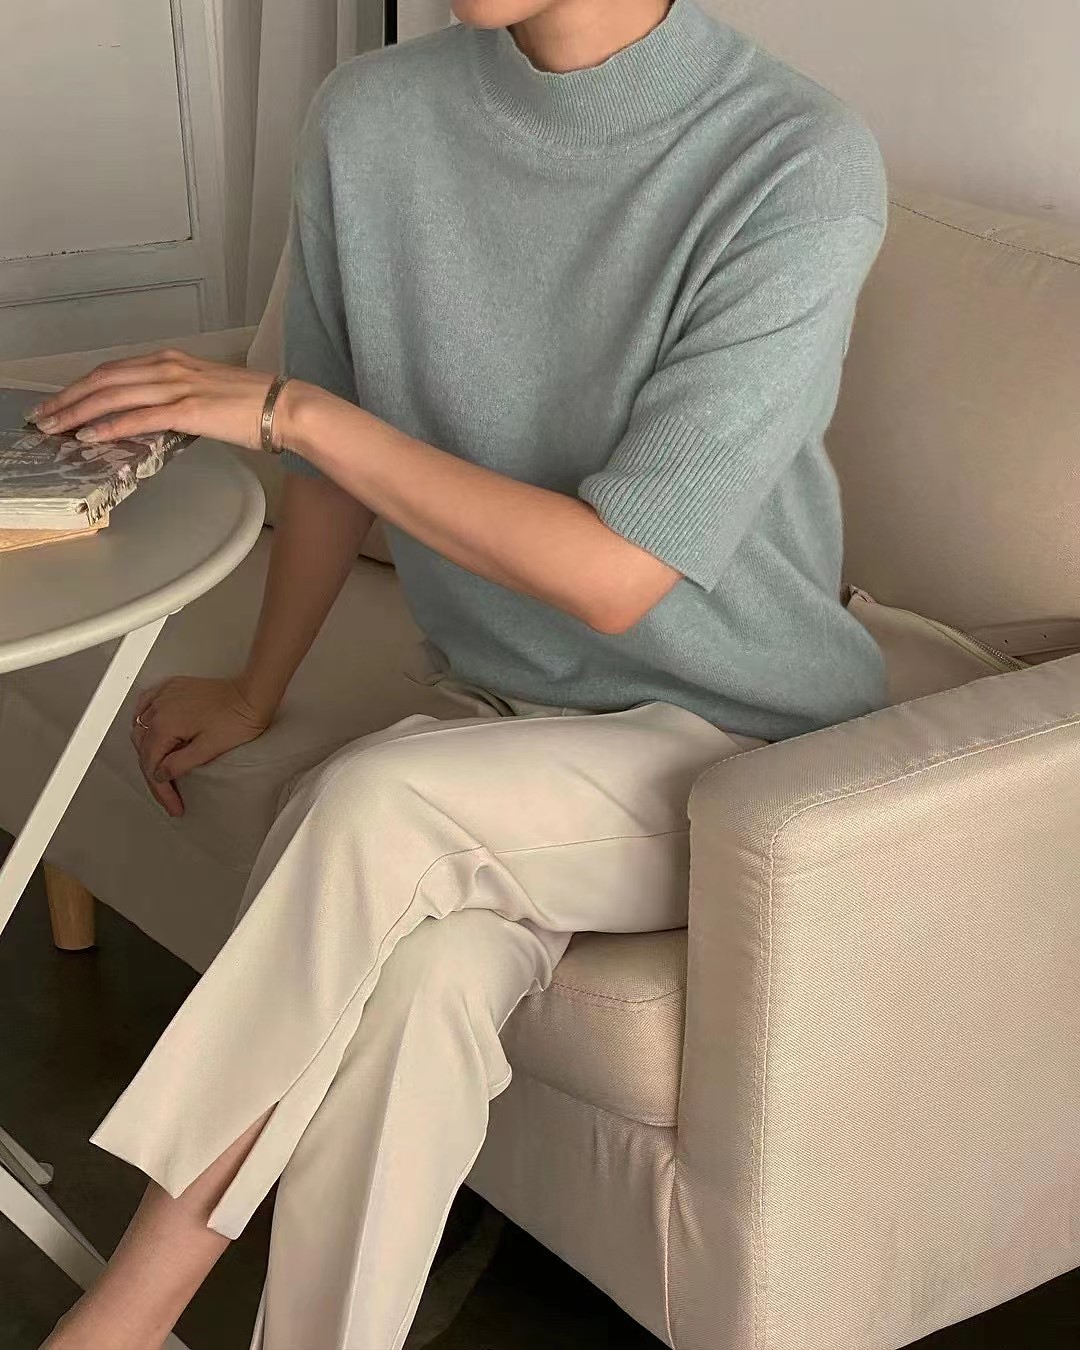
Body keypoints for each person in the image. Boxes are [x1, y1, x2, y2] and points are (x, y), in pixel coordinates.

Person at [34, 0, 889, 1345]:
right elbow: (329, 473)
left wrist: (293, 410)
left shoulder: (792, 158)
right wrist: (256, 689)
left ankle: (121, 1321)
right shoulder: (371, 120)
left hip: (737, 745)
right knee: (419, 992)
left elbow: (615, 572)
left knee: (377, 803)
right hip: (493, 718)